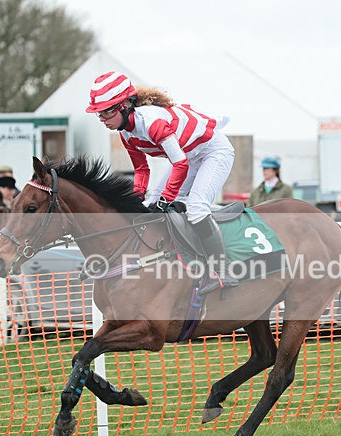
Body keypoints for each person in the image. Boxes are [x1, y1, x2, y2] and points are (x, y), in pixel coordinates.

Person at [85, 71, 238, 294]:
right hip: (190, 156)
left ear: (126, 105)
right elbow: (141, 169)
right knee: (150, 204)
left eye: (107, 112)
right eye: (99, 114)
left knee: (196, 207)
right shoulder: (125, 133)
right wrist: (136, 200)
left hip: (214, 152)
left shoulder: (151, 123)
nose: (103, 119)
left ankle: (223, 271)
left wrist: (166, 199)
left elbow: (180, 164)